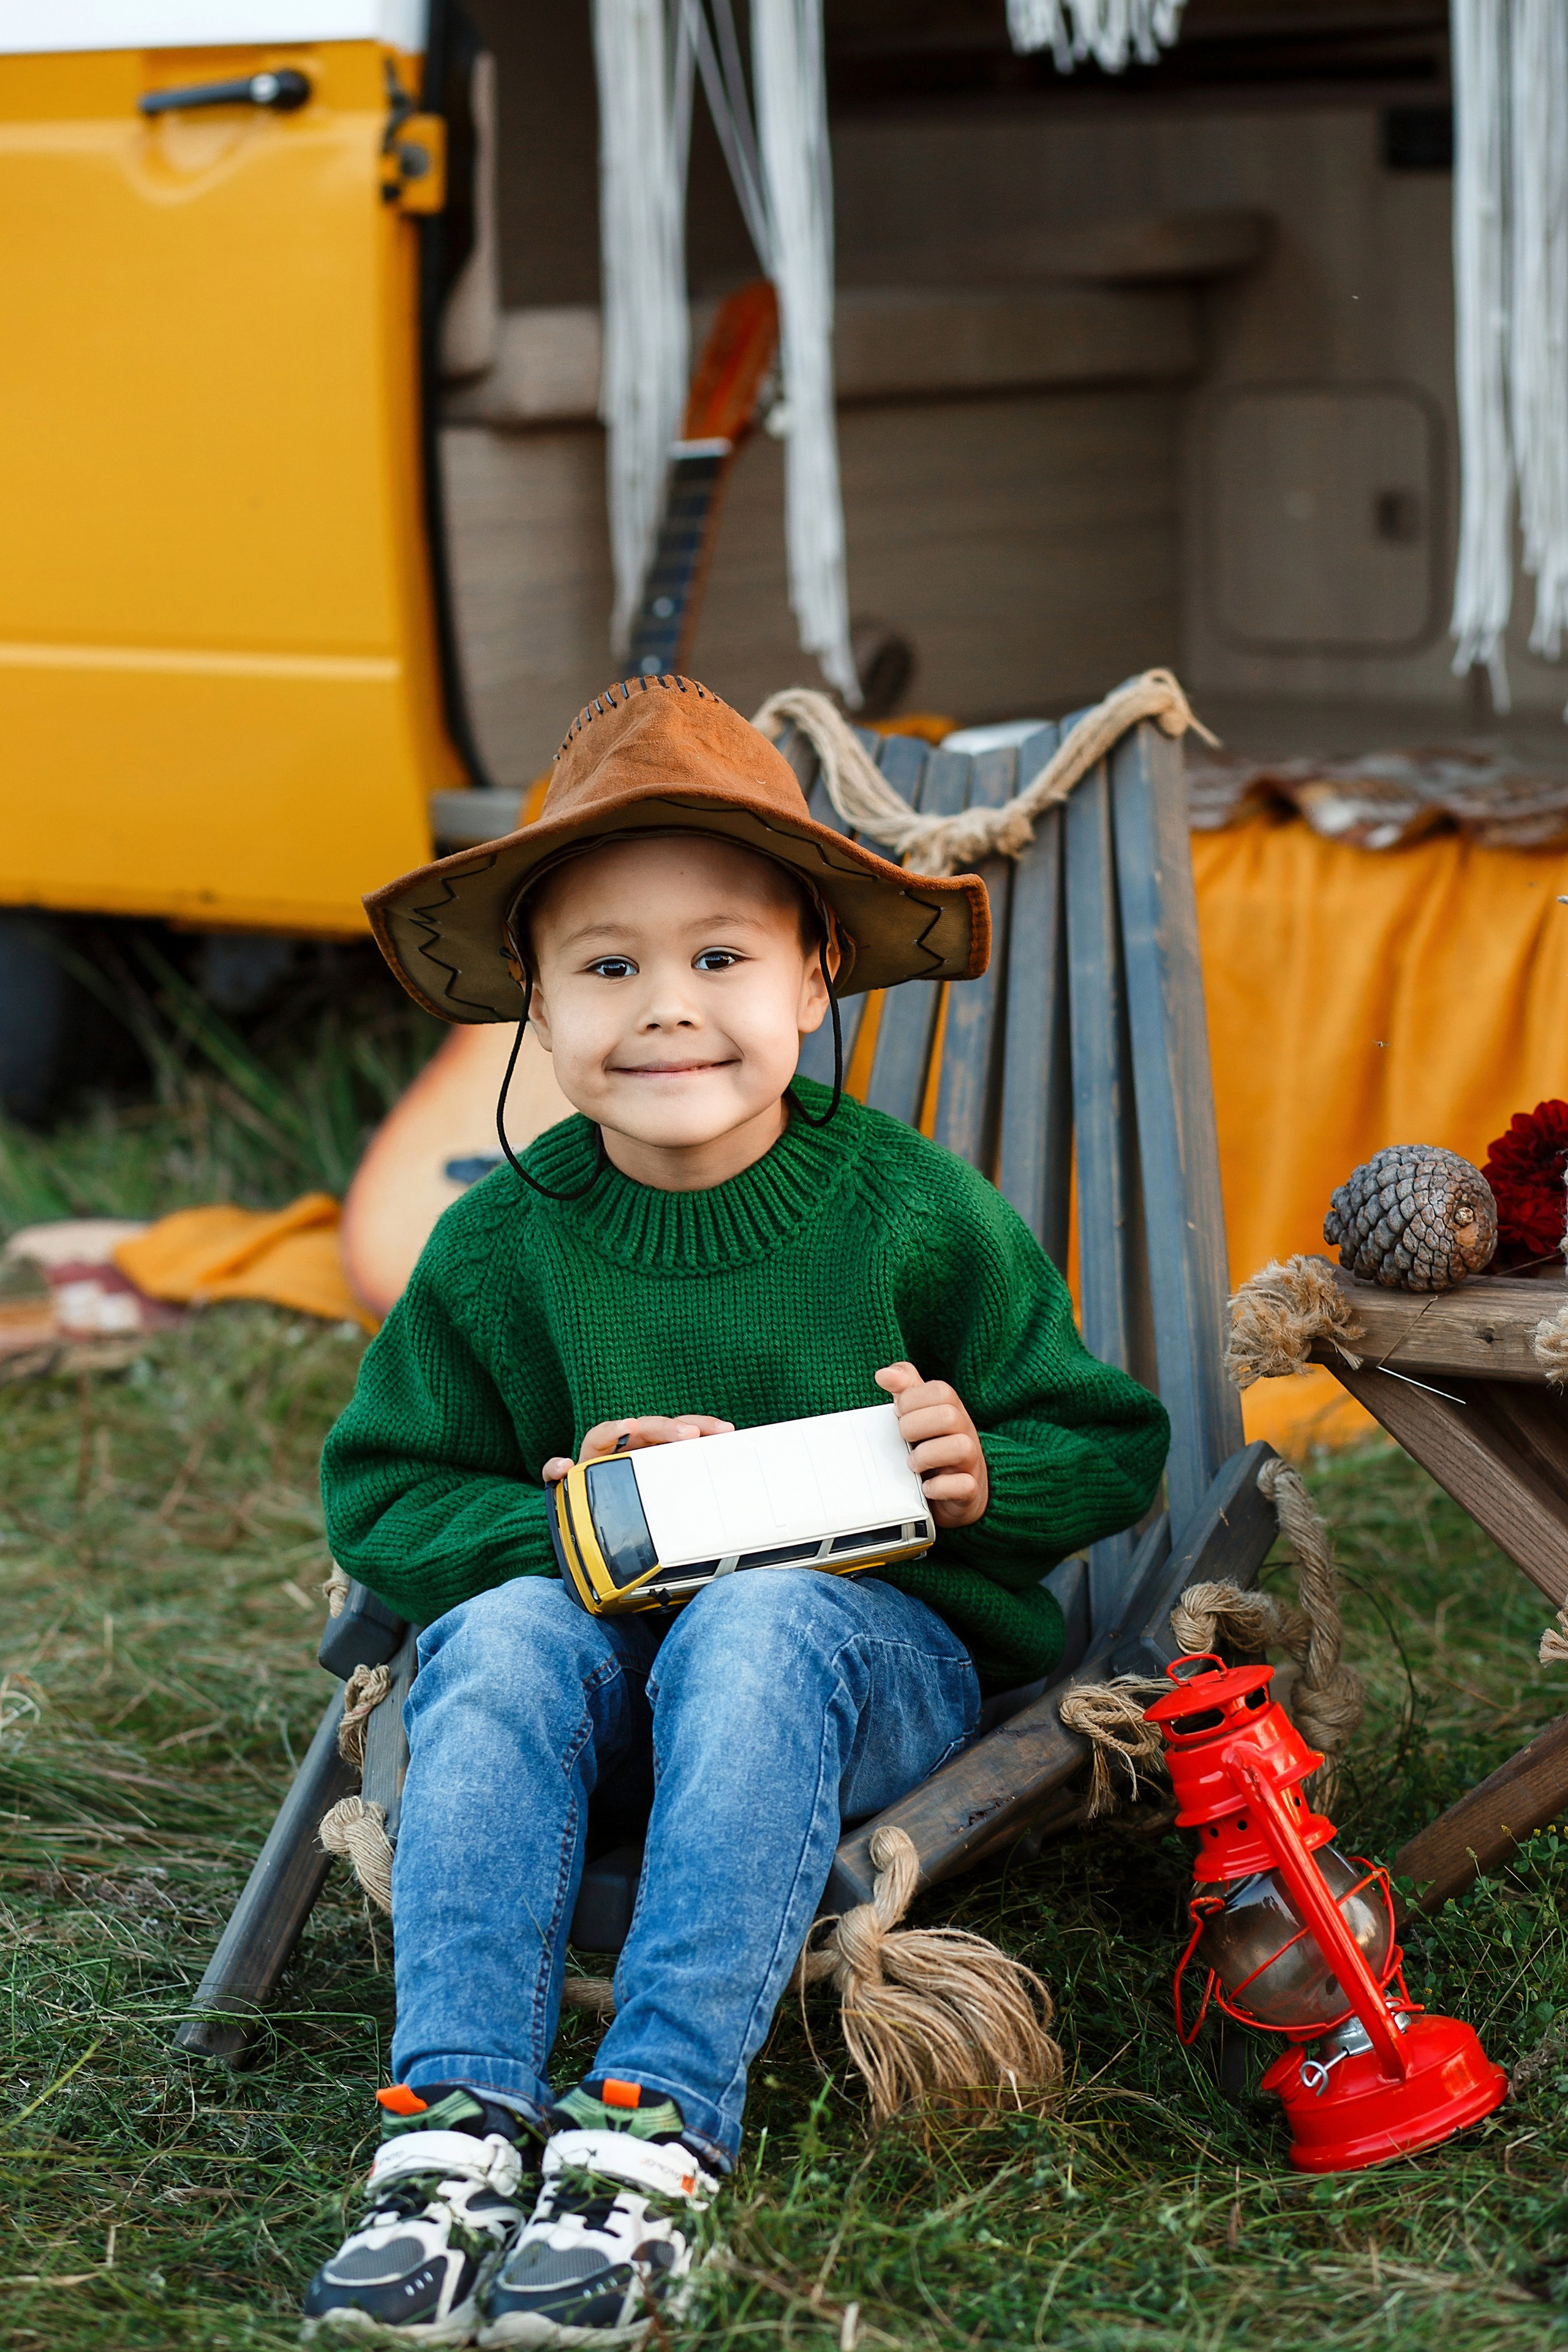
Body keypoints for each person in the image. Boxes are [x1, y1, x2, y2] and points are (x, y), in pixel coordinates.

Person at [301, 676, 1168, 2347]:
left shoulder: (911, 1211)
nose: (666, 1007)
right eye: (607, 966)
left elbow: (1108, 1441)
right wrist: (567, 1529)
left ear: (816, 975)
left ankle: (652, 2133)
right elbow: (384, 1495)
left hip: (863, 1675)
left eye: (721, 957)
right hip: (603, 1700)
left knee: (763, 1618)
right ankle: (455, 2132)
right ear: (536, 1014)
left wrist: (980, 1466)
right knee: (493, 1636)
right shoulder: (502, 1245)